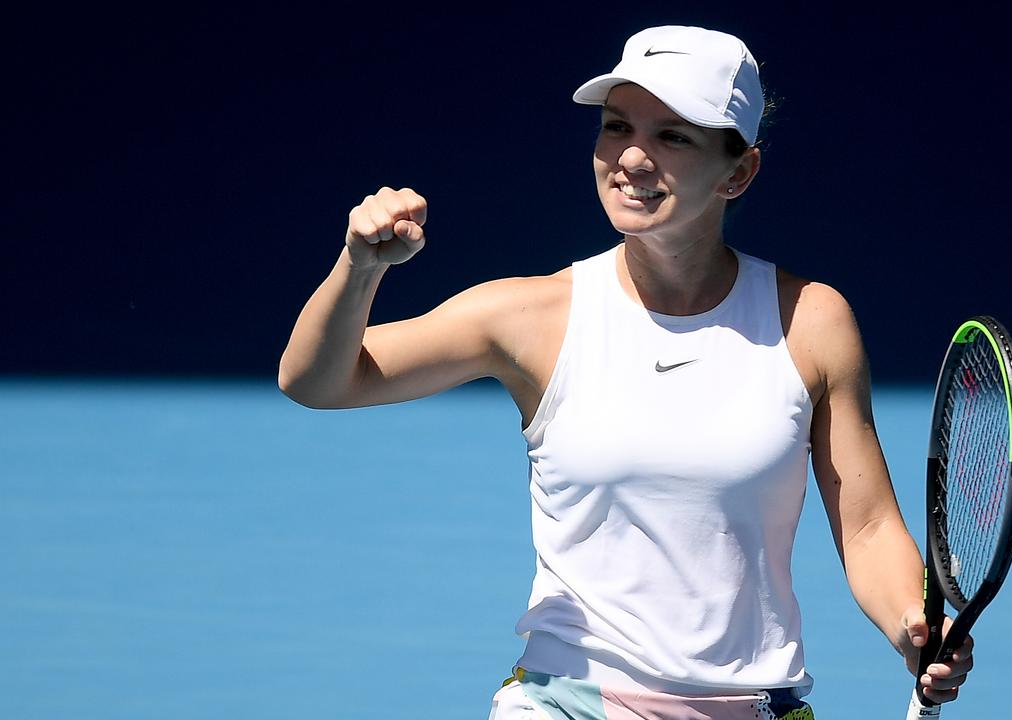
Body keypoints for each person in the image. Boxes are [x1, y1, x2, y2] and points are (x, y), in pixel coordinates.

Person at [279, 25, 973, 720]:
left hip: (750, 702)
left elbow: (869, 528)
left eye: (673, 136)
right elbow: (317, 380)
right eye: (616, 127)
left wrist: (914, 624)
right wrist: (359, 269)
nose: (632, 157)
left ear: (739, 172)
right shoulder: (530, 316)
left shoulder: (812, 323)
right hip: (564, 702)